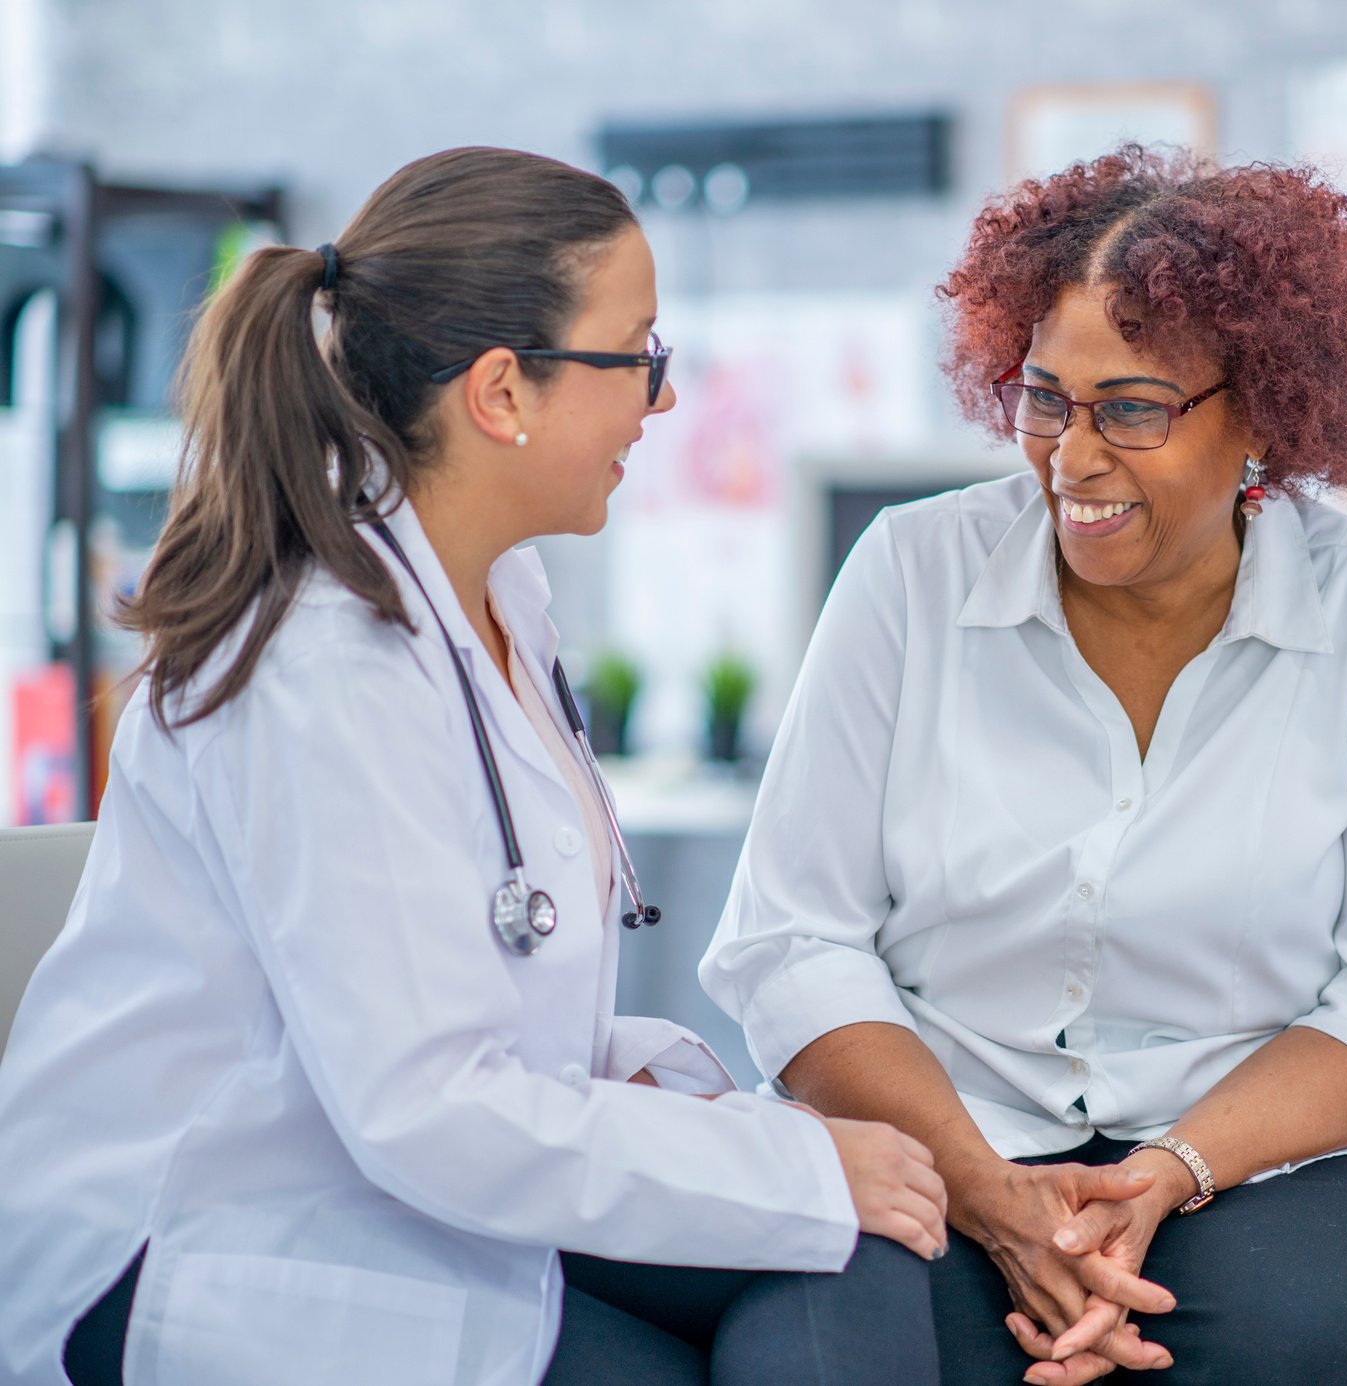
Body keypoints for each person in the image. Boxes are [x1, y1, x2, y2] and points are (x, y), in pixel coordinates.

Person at [0, 147, 944, 1386]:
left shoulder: (498, 593)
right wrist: (796, 1165)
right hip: (216, 1242)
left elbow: (473, 990)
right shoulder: (320, 661)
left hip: (406, 1172)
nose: (661, 403)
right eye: (639, 355)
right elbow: (428, 1105)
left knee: (856, 1262)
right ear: (503, 392)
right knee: (825, 1235)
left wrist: (723, 1118)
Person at [699, 144, 1347, 1385]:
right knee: (858, 1339)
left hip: (1256, 1158)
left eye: (1130, 409)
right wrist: (982, 1189)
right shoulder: (912, 575)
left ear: (1264, 416)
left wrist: (1167, 1170)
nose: (1071, 459)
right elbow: (793, 941)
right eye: (1044, 399)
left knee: (1278, 1343)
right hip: (936, 1127)